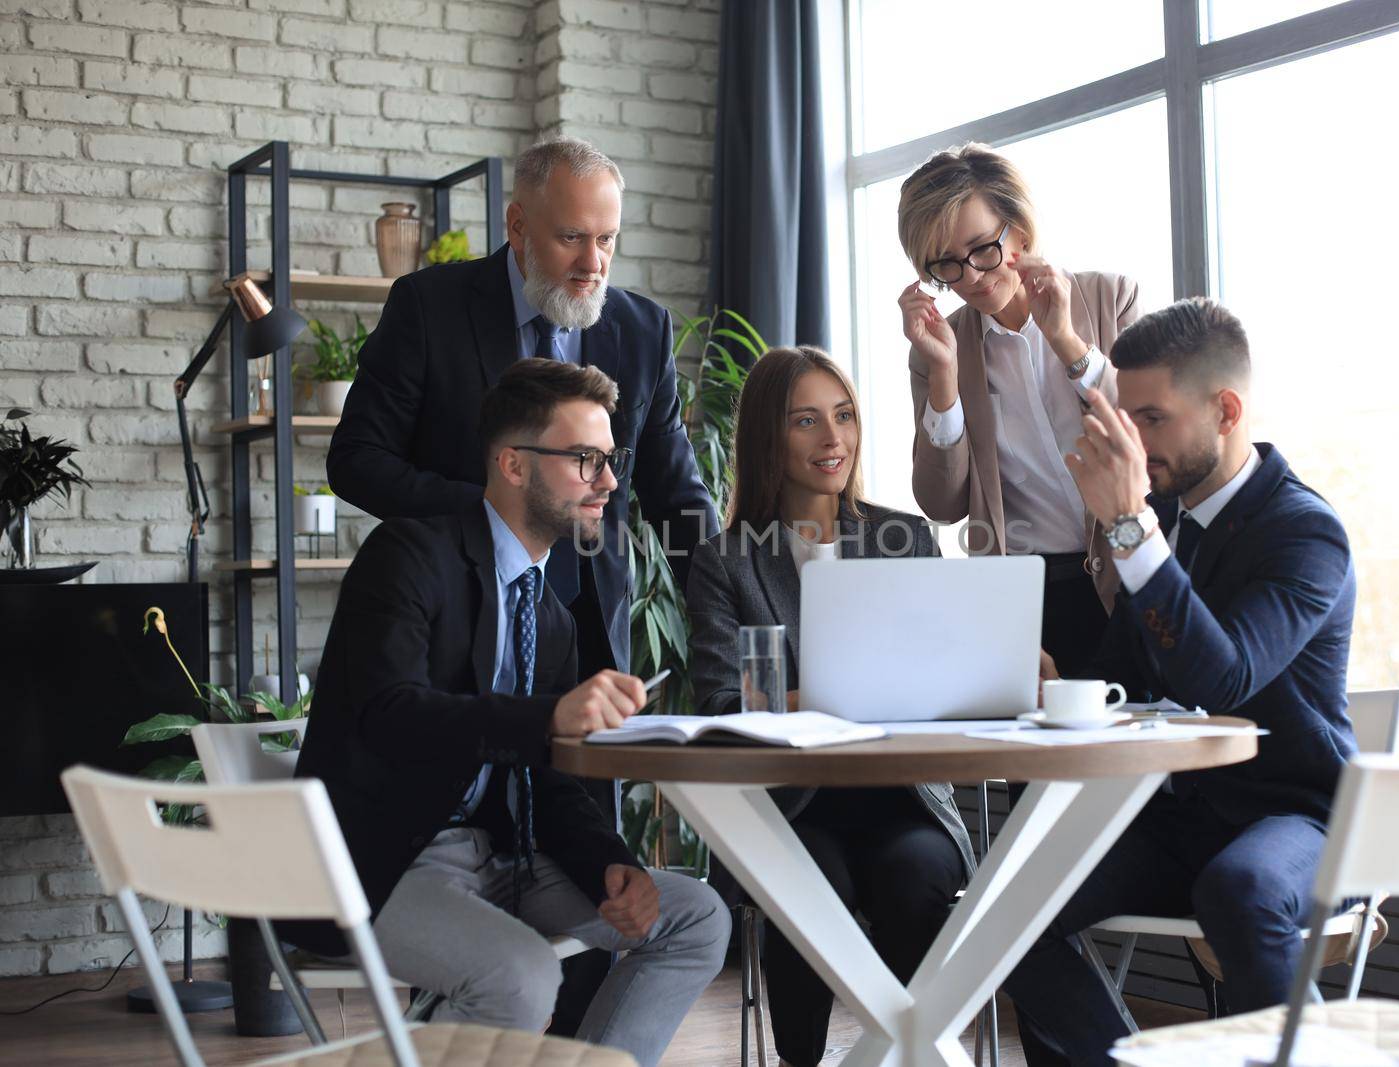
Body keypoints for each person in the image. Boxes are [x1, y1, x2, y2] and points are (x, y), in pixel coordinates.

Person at [291, 359, 730, 1067]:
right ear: (513, 464)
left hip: (508, 856)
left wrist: (610, 864)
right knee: (525, 973)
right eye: (586, 459)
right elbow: (388, 714)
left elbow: (549, 778)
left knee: (695, 917)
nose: (610, 481)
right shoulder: (408, 557)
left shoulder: (549, 613)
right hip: (388, 864)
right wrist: (548, 717)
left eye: (610, 460)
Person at [1000, 298, 1358, 1066]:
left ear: (1225, 409)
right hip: (1186, 817)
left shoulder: (1304, 532)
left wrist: (1130, 529)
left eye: (1152, 419)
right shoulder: (1165, 520)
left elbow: (1219, 678)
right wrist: (1053, 680)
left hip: (1299, 816)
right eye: (1124, 418)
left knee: (1238, 889)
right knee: (1005, 899)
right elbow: (1125, 682)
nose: (1132, 441)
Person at [328, 135, 715, 679]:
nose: (593, 263)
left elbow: (675, 493)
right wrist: (499, 518)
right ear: (517, 227)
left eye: (607, 239)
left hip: (592, 628)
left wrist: (739, 603)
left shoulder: (644, 330)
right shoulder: (427, 307)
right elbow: (356, 460)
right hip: (458, 614)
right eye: (572, 237)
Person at [685, 347, 975, 1067]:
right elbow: (727, 701)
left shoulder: (903, 538)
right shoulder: (725, 559)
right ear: (766, 438)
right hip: (793, 804)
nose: (832, 438)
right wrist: (855, 687)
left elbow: (940, 680)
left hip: (901, 797)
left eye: (843, 416)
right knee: (805, 883)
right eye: (806, 421)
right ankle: (802, 1061)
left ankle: (909, 1053)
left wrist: (805, 693)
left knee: (916, 875)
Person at [896, 143, 1143, 677]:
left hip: (1133, 574)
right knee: (1036, 760)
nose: (969, 278)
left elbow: (1150, 441)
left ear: (1020, 232)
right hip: (1029, 604)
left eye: (982, 249)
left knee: (1148, 751)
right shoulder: (942, 346)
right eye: (946, 265)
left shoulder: (1109, 300)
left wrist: (1067, 343)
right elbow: (942, 503)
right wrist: (944, 375)